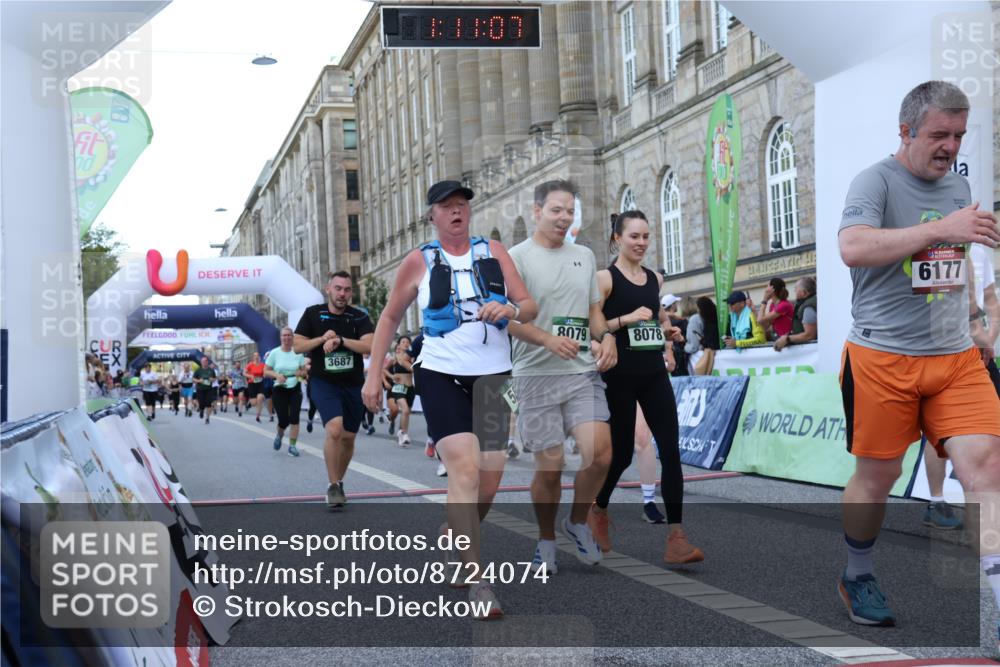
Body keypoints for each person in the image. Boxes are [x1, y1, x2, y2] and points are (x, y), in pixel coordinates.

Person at [836, 80, 1000, 628]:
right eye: (938, 135)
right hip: (883, 358)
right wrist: (944, 227)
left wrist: (975, 316)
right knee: (876, 481)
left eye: (958, 135)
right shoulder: (875, 181)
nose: (951, 147)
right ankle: (857, 572)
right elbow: (852, 247)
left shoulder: (957, 187)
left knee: (987, 469)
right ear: (905, 132)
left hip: (955, 358)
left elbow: (958, 254)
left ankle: (998, 601)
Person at [362, 180, 537, 618]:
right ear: (432, 216)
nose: (457, 211)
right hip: (439, 372)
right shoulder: (418, 261)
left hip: (494, 377)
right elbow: (389, 316)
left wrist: (512, 310)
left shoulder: (494, 252)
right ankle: (478, 582)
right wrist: (373, 375)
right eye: (447, 206)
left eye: (462, 205)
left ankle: (454, 530)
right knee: (464, 468)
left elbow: (529, 306)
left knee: (491, 479)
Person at [507, 179, 615, 574]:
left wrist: (605, 338)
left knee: (601, 453)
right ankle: (546, 539)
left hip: (581, 371)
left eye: (570, 210)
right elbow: (508, 320)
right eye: (556, 210)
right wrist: (548, 341)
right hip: (535, 373)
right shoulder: (515, 258)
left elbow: (593, 314)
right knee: (549, 467)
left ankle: (577, 521)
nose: (564, 217)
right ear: (537, 212)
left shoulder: (584, 255)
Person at [588, 210, 703, 564]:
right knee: (621, 454)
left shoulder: (655, 278)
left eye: (645, 236)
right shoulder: (604, 279)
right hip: (619, 375)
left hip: (653, 372)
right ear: (617, 239)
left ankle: (676, 537)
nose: (641, 243)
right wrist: (625, 320)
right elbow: (591, 327)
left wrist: (669, 337)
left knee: (670, 449)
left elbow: (658, 316)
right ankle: (598, 509)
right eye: (634, 236)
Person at [294, 271, 375, 510]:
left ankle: (339, 481)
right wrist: (321, 339)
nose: (343, 294)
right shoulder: (312, 314)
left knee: (349, 437)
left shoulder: (359, 316)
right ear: (327, 289)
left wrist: (341, 340)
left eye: (347, 289)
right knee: (335, 429)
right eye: (338, 288)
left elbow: (370, 345)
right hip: (323, 382)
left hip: (352, 384)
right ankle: (332, 485)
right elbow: (298, 346)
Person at [265, 327, 308, 457]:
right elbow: (266, 371)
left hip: (294, 388)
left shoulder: (298, 353)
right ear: (281, 338)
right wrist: (277, 375)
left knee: (295, 418)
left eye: (289, 335)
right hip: (279, 388)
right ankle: (279, 434)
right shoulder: (274, 353)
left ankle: (292, 446)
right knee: (283, 420)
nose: (287, 338)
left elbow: (304, 373)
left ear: (292, 337)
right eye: (284, 336)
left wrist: (300, 373)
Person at [383, 335, 415, 447]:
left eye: (407, 342)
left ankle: (401, 433)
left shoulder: (412, 358)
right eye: (403, 342)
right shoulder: (395, 357)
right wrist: (391, 377)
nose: (406, 344)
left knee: (407, 413)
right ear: (399, 345)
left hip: (410, 387)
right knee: (405, 410)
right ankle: (404, 434)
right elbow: (384, 370)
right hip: (398, 387)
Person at [774, 277, 818, 351]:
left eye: (796, 289)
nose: (794, 291)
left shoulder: (808, 307)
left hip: (809, 352)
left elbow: (809, 335)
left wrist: (787, 339)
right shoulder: (808, 303)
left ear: (804, 292)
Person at [685, 296, 720, 375]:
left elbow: (693, 346)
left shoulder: (696, 319)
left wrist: (684, 347)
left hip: (702, 355)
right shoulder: (718, 318)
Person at [193, 356, 217, 424]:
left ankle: (207, 418)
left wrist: (212, 379)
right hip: (200, 389)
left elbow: (215, 378)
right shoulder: (198, 370)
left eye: (204, 361)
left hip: (209, 389)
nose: (203, 363)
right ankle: (201, 410)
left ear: (207, 362)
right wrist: (199, 380)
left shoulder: (211, 370)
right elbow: (193, 379)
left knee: (209, 404)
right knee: (201, 402)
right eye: (202, 362)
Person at [245, 352, 267, 422]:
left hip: (260, 384)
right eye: (255, 356)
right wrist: (250, 376)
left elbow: (265, 372)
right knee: (254, 402)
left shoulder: (263, 365)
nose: (256, 357)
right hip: (252, 384)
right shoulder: (250, 365)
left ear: (259, 357)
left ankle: (258, 416)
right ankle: (249, 403)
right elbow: (244, 373)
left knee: (260, 398)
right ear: (253, 357)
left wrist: (264, 375)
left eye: (257, 356)